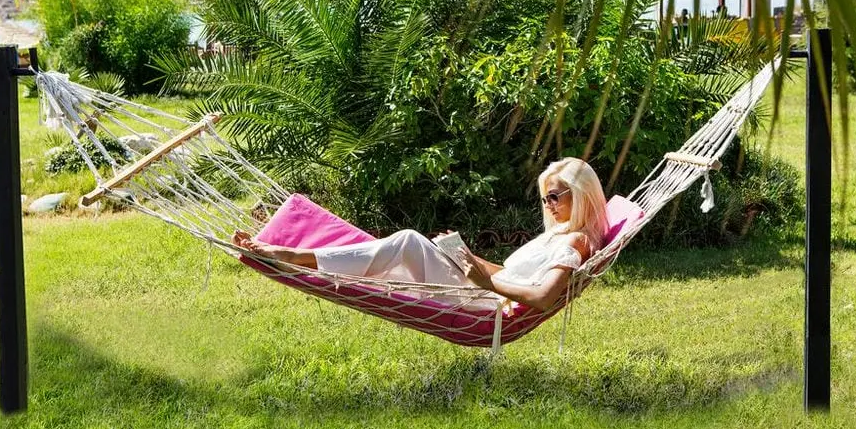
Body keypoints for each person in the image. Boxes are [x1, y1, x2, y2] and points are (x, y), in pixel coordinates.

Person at [232, 157, 609, 311]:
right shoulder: (559, 234)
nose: (548, 205)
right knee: (408, 247)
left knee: (408, 241)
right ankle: (302, 258)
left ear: (580, 194)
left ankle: (295, 256)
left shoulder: (576, 242)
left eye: (555, 196)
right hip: (480, 290)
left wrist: (483, 281)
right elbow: (512, 274)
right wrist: (467, 258)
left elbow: (542, 297)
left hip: (486, 307)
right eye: (544, 198)